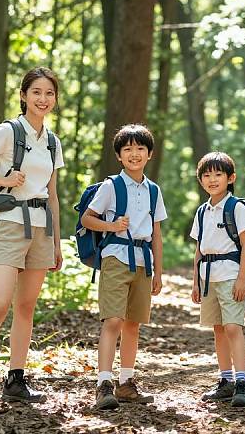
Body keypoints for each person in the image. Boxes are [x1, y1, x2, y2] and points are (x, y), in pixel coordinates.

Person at [0, 67, 64, 410]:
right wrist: (5, 181)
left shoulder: (52, 141)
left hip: (41, 229)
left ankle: (15, 380)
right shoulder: (9, 130)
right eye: (36, 92)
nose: (43, 99)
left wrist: (57, 243)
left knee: (26, 307)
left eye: (49, 93)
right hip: (8, 222)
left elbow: (53, 196)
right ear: (23, 96)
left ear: (55, 99)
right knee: (0, 303)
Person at [81, 124, 167, 410]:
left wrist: (159, 271)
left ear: (149, 154)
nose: (134, 153)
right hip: (116, 256)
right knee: (113, 320)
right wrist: (111, 225)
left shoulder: (154, 190)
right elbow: (87, 219)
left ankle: (126, 383)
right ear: (119, 155)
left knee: (133, 324)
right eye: (127, 148)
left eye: (140, 148)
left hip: (144, 262)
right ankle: (104, 384)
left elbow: (156, 233)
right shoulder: (111, 186)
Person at [190, 152, 245, 407]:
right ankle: (225, 381)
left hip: (229, 274)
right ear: (201, 180)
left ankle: (242, 382)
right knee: (218, 328)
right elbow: (199, 249)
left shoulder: (235, 207)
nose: (212, 179)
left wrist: (242, 280)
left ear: (230, 178)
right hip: (208, 278)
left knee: (233, 327)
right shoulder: (202, 211)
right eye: (207, 175)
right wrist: (195, 281)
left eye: (218, 174)